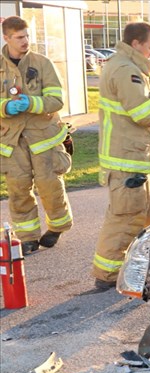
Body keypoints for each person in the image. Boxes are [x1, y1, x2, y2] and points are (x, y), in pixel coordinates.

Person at [92, 22, 150, 290]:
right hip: (127, 162)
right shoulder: (125, 70)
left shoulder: (129, 67)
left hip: (139, 160)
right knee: (125, 218)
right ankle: (106, 275)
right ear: (136, 44)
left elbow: (141, 102)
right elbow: (144, 115)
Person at [0, 16, 73, 254]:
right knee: (19, 189)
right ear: (6, 38)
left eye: (27, 36)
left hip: (43, 138)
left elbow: (56, 100)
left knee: (50, 185)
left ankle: (58, 226)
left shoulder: (42, 63)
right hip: (12, 140)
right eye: (19, 37)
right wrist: (4, 107)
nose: (25, 41)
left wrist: (32, 102)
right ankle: (27, 237)